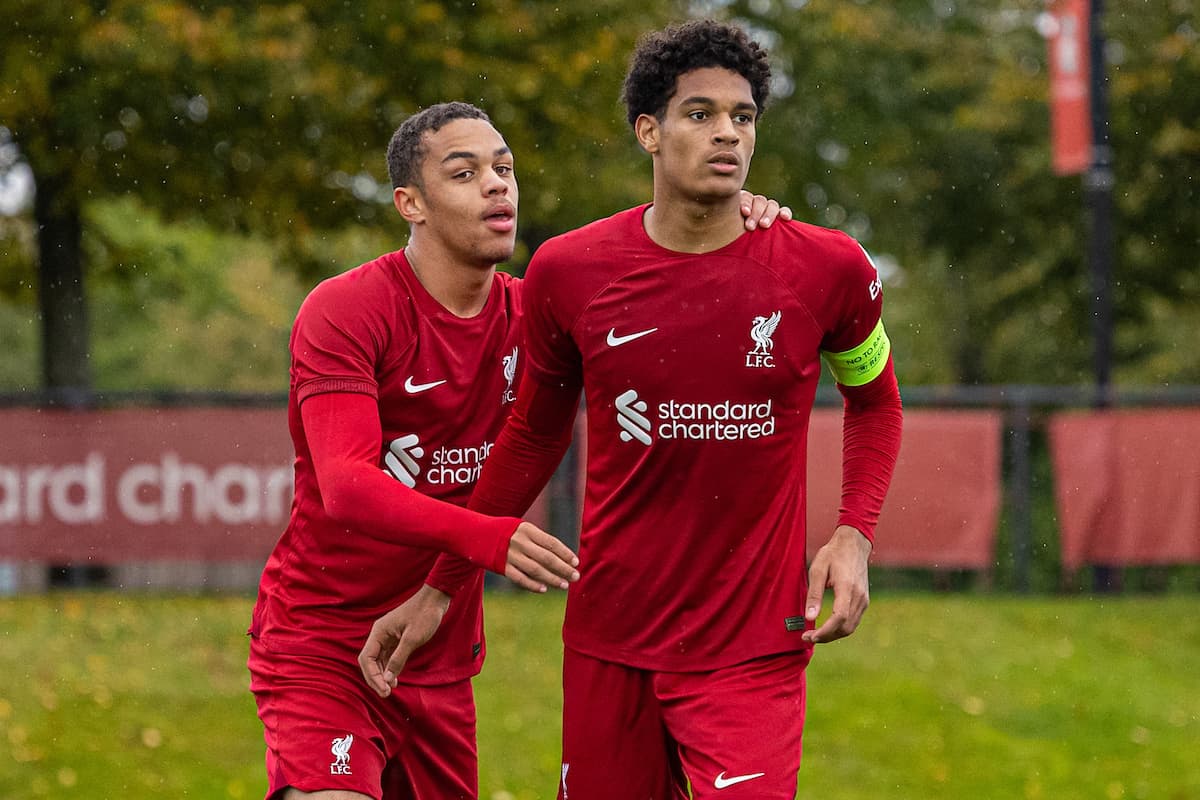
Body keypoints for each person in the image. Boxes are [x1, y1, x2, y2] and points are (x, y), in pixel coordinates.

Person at [361, 20, 903, 800]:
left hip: (752, 646)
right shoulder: (570, 272)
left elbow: (876, 405)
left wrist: (854, 534)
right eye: (700, 114)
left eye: (742, 117)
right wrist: (444, 585)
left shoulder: (828, 268)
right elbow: (533, 435)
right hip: (611, 640)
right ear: (648, 131)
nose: (727, 133)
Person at [250, 100, 791, 800]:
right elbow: (347, 487)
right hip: (324, 649)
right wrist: (490, 539)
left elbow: (671, 318)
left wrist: (727, 217)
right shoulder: (347, 309)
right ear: (409, 203)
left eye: (504, 168)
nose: (498, 184)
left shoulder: (534, 313)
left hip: (441, 661)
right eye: (466, 172)